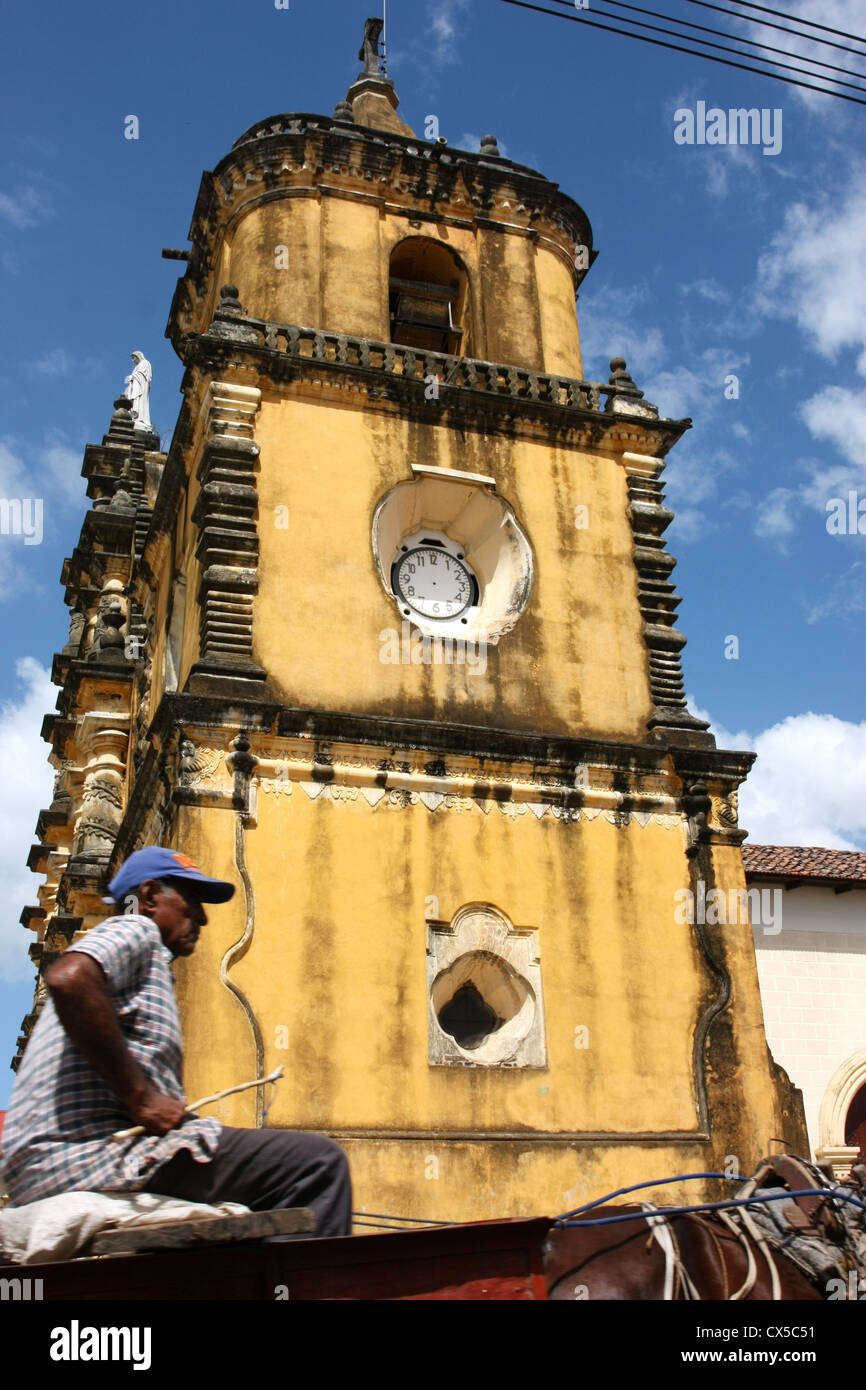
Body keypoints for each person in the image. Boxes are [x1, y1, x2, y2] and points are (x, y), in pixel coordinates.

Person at [0, 846, 352, 1238]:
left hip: (47, 1164)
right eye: (192, 899)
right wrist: (142, 1098)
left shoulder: (139, 960)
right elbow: (68, 978)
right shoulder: (136, 928)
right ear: (149, 897)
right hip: (87, 1155)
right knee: (318, 1164)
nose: (202, 915)